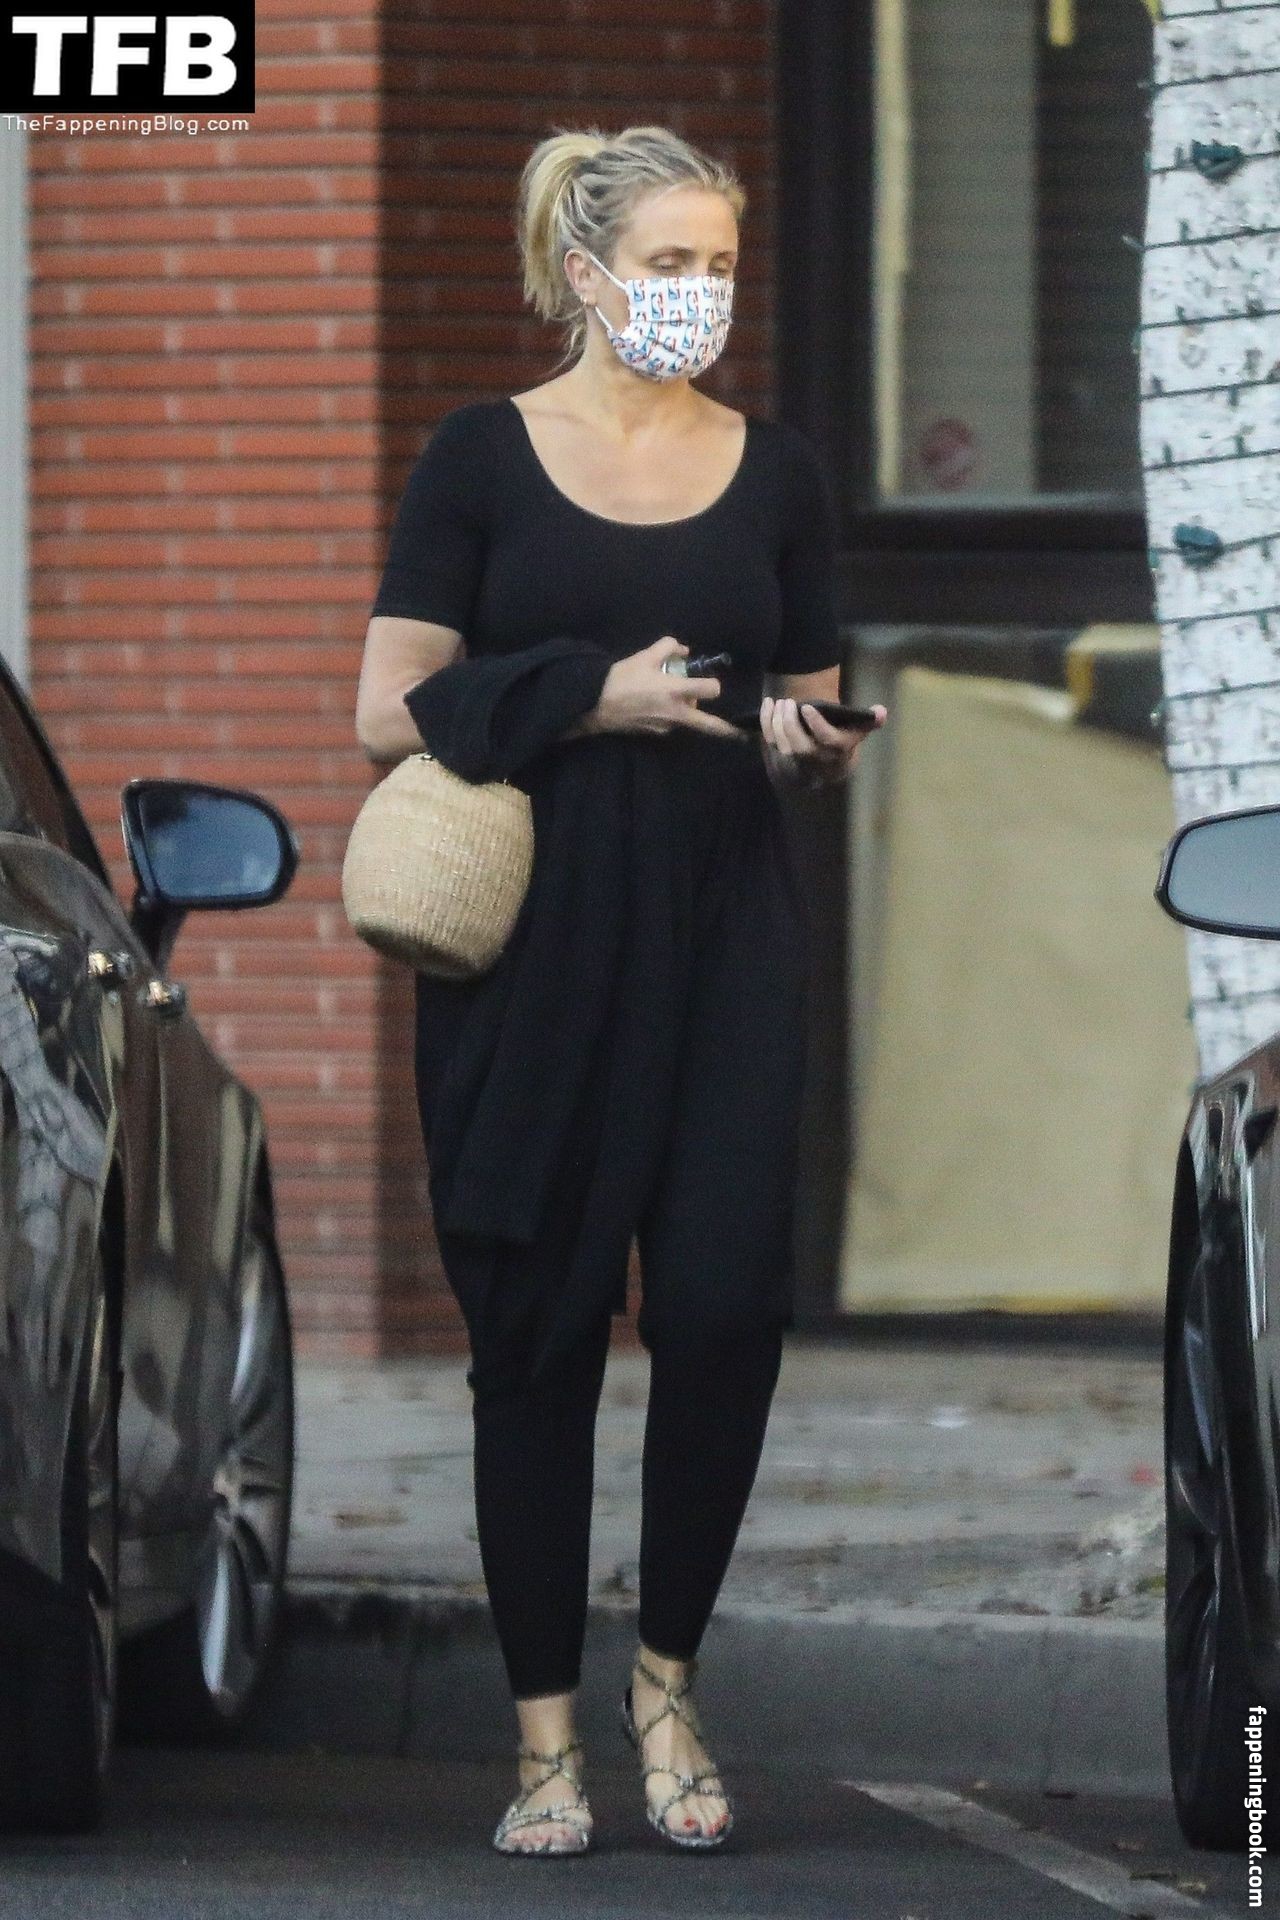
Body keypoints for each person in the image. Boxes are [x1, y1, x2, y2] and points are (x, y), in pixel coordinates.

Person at [354, 122, 886, 1857]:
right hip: (538, 953)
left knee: (723, 1313)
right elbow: (385, 707)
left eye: (719, 264)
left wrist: (808, 741)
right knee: (539, 1334)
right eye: (669, 264)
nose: (700, 293)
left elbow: (795, 698)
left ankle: (666, 1681)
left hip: (728, 932)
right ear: (586, 274)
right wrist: (590, 694)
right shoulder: (481, 459)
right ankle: (542, 1745)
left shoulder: (778, 474)